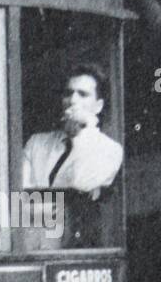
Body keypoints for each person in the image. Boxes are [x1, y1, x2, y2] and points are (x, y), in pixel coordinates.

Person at [22, 63, 123, 198]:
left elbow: (81, 184)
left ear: (98, 106)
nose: (73, 100)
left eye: (83, 94)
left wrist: (84, 132)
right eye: (68, 93)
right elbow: (19, 193)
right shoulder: (36, 143)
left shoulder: (110, 149)